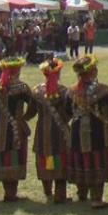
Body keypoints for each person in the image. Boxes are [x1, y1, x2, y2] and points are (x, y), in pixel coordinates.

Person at [0, 56, 35, 202]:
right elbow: (33, 104)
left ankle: (8, 192)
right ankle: (11, 193)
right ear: (17, 70)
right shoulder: (21, 87)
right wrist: (25, 117)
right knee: (14, 157)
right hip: (16, 128)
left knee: (3, 157)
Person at [67, 55, 108, 209]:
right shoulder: (104, 90)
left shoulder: (71, 91)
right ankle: (96, 198)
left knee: (81, 158)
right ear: (92, 71)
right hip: (98, 132)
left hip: (77, 131)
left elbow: (66, 111)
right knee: (97, 160)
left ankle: (82, 193)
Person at [32, 57, 72, 204]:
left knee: (45, 158)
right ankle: (60, 194)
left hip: (42, 131)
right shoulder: (64, 91)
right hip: (60, 132)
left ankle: (47, 191)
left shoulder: (36, 91)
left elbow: (31, 111)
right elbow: (70, 112)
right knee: (60, 158)